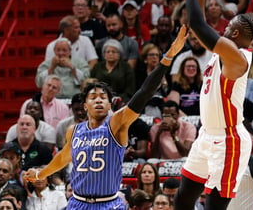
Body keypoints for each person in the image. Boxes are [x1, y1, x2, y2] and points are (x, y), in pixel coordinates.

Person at [23, 25, 187, 209]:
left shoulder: (116, 124)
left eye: (103, 97)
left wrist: (168, 57)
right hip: (78, 203)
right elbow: (63, 157)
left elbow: (144, 91)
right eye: (93, 97)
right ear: (85, 106)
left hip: (107, 203)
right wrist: (40, 174)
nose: (99, 100)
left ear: (110, 105)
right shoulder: (74, 130)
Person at [174, 0, 253, 210]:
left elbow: (198, 26)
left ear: (233, 32)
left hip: (228, 140)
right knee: (183, 198)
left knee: (214, 207)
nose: (221, 27)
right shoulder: (222, 50)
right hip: (206, 136)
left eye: (227, 25)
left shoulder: (236, 57)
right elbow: (197, 23)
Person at [91, 39, 136, 104]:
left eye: (113, 52)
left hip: (121, 101)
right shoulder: (97, 67)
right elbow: (92, 83)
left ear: (119, 54)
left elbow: (130, 90)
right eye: (108, 52)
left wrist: (118, 99)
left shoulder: (126, 67)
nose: (110, 54)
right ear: (104, 55)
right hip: (99, 99)